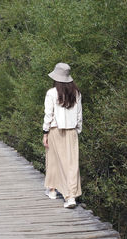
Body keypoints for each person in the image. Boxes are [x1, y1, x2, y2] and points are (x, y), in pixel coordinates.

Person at [42, 62, 82, 209]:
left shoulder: (51, 93)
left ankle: (62, 193)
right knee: (71, 163)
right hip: (71, 131)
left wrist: (45, 132)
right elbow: (79, 115)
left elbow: (48, 114)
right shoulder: (76, 94)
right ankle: (65, 193)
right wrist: (77, 130)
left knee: (53, 159)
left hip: (55, 130)